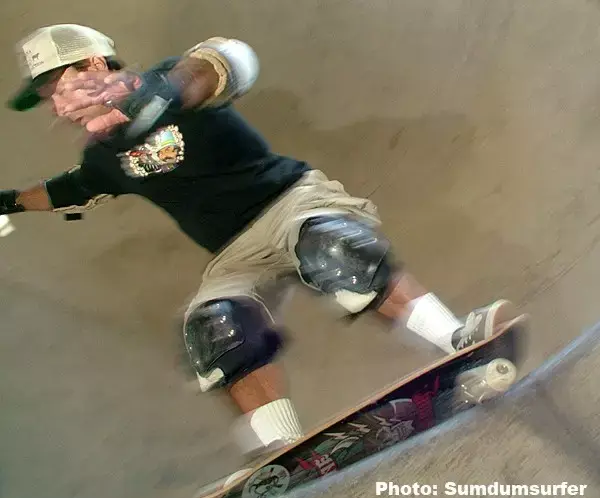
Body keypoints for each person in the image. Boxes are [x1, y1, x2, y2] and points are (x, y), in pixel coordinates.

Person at [2, 24, 517, 463]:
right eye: (49, 98)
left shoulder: (170, 79)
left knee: (332, 251)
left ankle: (457, 339)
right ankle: (283, 453)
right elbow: (61, 191)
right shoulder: (102, 156)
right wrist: (6, 202)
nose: (58, 104)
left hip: (292, 203)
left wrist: (155, 95)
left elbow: (226, 60)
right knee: (214, 327)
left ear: (93, 63)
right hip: (233, 253)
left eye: (58, 86)